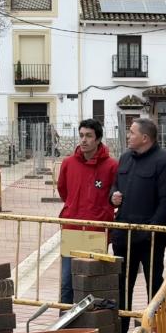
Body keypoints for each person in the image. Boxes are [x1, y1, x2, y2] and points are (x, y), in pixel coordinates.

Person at [110, 118, 166, 333]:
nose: (128, 136)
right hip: (123, 236)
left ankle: (154, 331)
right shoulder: (124, 159)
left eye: (132, 132)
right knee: (121, 286)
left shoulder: (164, 162)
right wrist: (113, 196)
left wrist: (151, 229)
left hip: (150, 239)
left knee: (154, 286)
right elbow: (114, 187)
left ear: (145, 138)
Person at [56, 118, 118, 303]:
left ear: (98, 139)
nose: (83, 140)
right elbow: (63, 190)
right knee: (67, 281)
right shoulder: (68, 163)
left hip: (97, 231)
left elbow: (114, 195)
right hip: (72, 229)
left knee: (93, 281)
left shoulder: (111, 166)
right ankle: (64, 325)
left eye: (89, 136)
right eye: (81, 135)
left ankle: (92, 324)